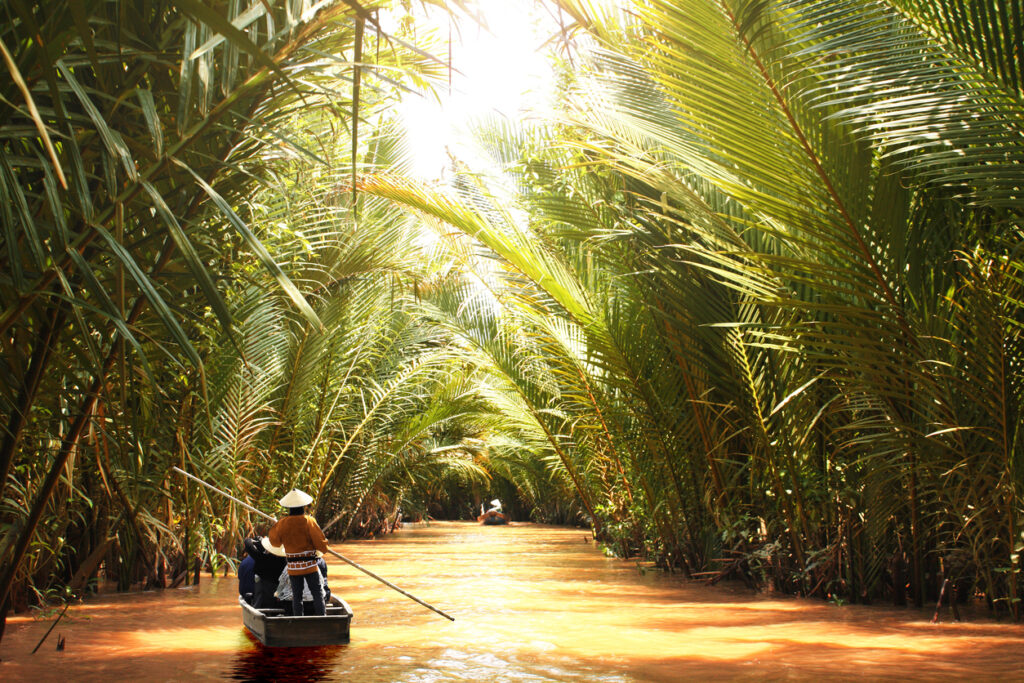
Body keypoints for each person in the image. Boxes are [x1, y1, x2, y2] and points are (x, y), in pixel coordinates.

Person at [266, 488, 329, 616]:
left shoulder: (282, 523)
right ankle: (322, 619)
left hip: (293, 567)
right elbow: (321, 545)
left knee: (297, 596)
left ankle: (298, 620)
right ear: (303, 506)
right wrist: (324, 547)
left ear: (289, 507)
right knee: (317, 594)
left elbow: (275, 543)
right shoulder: (309, 521)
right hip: (310, 566)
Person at [242, 536, 288, 607]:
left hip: (263, 595)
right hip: (277, 596)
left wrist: (251, 540)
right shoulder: (284, 561)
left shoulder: (263, 559)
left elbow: (249, 546)